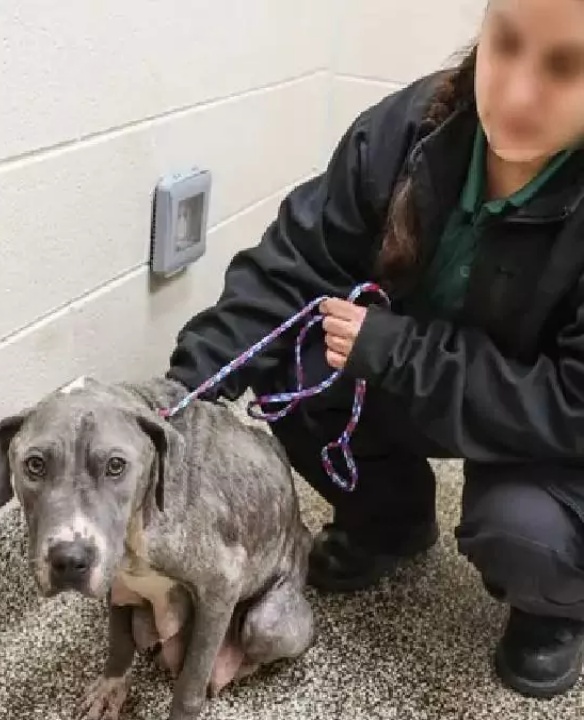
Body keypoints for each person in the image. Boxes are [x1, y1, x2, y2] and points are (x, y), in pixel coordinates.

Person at [166, 0, 584, 700]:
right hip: (424, 375)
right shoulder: (411, 128)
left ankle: (555, 608)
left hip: (549, 431)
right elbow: (295, 265)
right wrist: (182, 391)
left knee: (525, 531)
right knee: (293, 366)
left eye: (566, 66)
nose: (514, 91)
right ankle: (390, 522)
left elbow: (572, 403)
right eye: (506, 42)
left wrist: (401, 352)